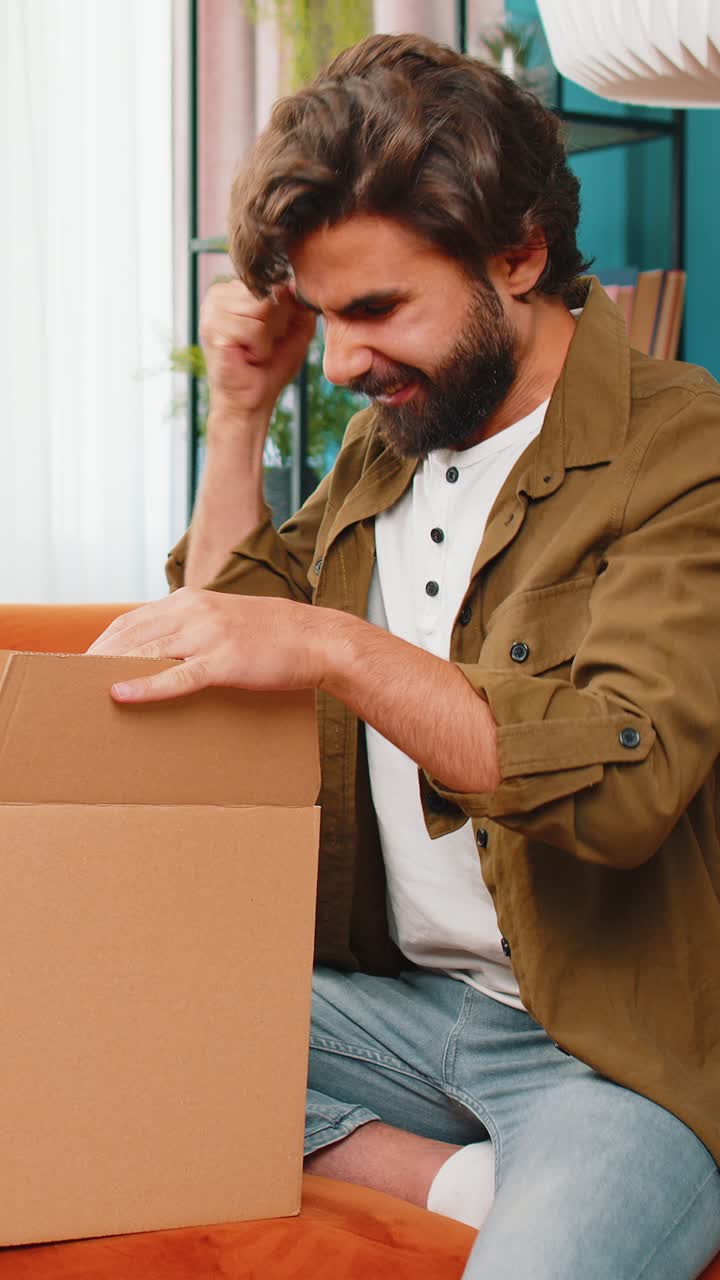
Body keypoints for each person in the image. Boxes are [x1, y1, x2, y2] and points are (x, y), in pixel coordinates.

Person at [89, 32, 720, 1280]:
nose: (340, 362)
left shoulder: (684, 450)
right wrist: (240, 415)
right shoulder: (392, 445)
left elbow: (625, 780)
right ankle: (452, 1177)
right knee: (58, 1001)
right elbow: (219, 639)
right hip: (392, 1008)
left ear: (519, 254)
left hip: (610, 1047)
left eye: (375, 309)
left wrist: (333, 641)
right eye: (323, 316)